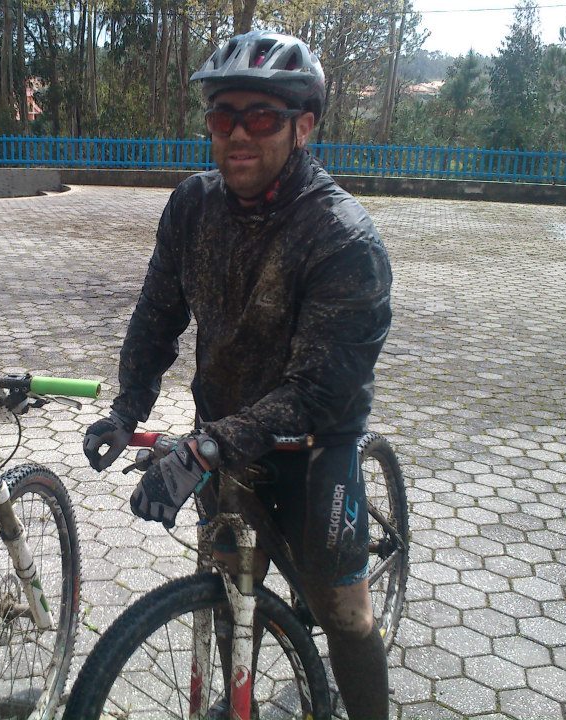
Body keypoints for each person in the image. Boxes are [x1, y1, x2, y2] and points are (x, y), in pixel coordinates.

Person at [83, 30, 392, 720]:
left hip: (313, 444)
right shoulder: (192, 206)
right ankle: (240, 702)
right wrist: (128, 409)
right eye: (224, 117)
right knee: (230, 589)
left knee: (343, 612)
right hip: (222, 436)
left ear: (303, 126)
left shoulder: (343, 237)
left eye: (261, 118)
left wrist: (204, 447)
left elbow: (319, 389)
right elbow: (157, 313)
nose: (239, 135)